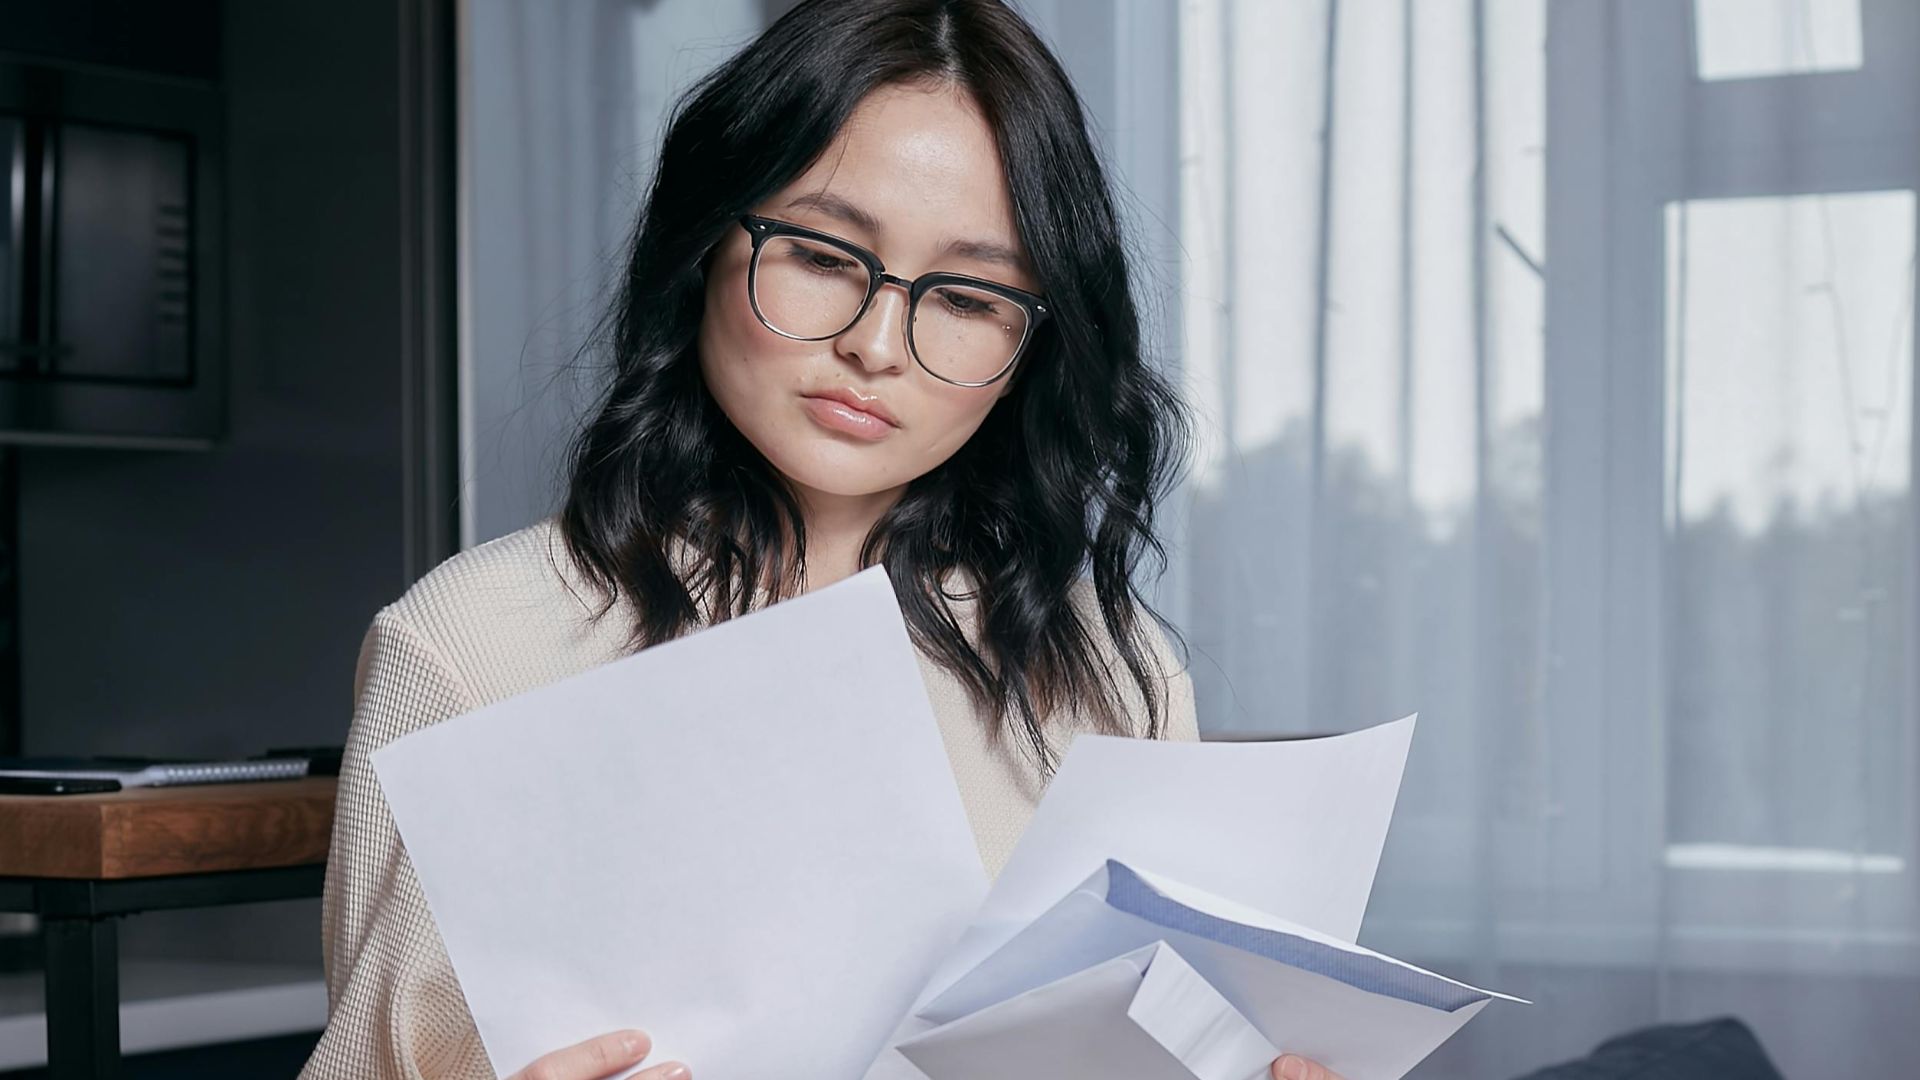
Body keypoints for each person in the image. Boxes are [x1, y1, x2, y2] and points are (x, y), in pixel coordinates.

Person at [299, 1, 1344, 1078]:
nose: (876, 344)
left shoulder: (1119, 678)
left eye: (971, 296)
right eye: (822, 253)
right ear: (705, 242)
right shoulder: (475, 645)